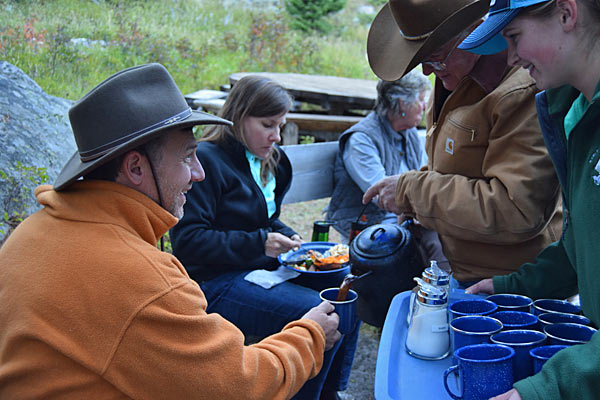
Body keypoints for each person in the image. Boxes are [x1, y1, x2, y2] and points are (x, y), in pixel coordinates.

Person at [0, 63, 342, 399]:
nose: (199, 174)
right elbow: (238, 386)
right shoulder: (143, 279)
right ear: (135, 167)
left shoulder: (31, 231)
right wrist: (310, 335)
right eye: (187, 158)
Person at [169, 75, 359, 400]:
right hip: (215, 282)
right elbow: (188, 242)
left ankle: (330, 391)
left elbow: (266, 219)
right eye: (268, 124)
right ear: (239, 117)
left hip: (259, 268)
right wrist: (261, 244)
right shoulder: (209, 162)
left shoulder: (271, 161)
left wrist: (289, 237)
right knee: (316, 311)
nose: (277, 136)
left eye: (281, 125)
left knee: (346, 287)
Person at [361, 0, 563, 288]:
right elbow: (456, 164)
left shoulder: (522, 92)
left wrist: (412, 191)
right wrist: (416, 194)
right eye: (423, 60)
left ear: (477, 34)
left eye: (436, 57)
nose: (429, 72)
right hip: (468, 272)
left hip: (516, 284)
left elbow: (517, 210)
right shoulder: (454, 75)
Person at [459, 1, 600, 399]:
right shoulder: (575, 115)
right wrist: (511, 286)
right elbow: (581, 247)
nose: (511, 58)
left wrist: (545, 389)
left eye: (514, 37)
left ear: (567, 13)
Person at [327, 70, 433, 239]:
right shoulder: (361, 139)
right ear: (402, 103)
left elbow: (423, 175)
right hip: (369, 227)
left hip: (403, 221)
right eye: (420, 99)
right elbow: (380, 194)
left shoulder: (409, 133)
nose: (425, 106)